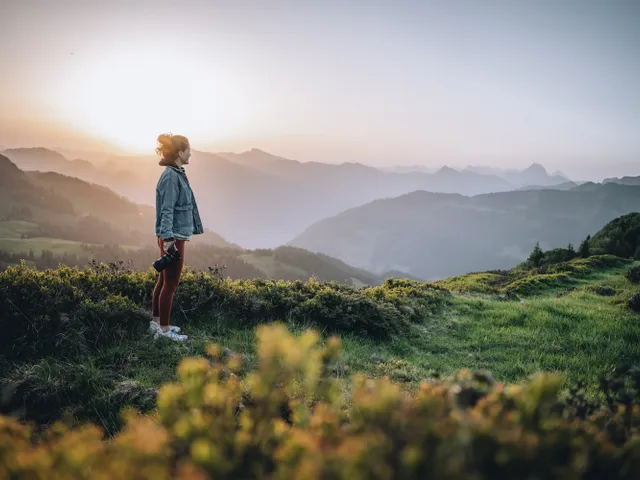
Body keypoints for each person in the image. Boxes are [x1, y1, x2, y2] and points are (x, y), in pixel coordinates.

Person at [150, 133, 204, 341]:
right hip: (172, 235)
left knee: (163, 280)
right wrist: (169, 240)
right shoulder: (172, 177)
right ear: (180, 153)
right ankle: (164, 331)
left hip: (170, 234)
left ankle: (156, 323)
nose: (190, 153)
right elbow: (167, 210)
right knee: (171, 284)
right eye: (188, 150)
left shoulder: (175, 172)